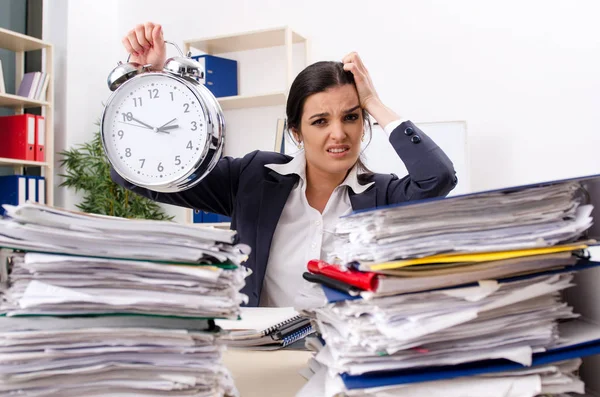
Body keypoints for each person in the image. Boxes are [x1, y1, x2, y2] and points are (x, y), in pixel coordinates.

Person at [113, 22, 458, 307]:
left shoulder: (383, 194)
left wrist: (373, 101)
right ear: (296, 131)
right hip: (263, 360)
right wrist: (151, 80)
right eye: (320, 121)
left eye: (351, 117)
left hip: (350, 362)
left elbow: (438, 178)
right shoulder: (253, 179)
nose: (338, 134)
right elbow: (139, 177)